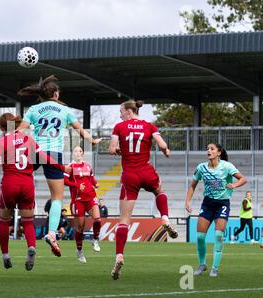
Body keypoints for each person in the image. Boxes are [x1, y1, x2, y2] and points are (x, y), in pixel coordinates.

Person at [0, 113, 68, 270]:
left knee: (4, 221)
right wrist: (63, 167)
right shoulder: (29, 140)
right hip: (27, 184)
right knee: (27, 222)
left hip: (9, 184)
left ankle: (6, 255)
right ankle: (31, 247)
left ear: (1, 128)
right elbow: (45, 157)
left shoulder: (1, 142)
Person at [17, 75, 102, 257]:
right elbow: (80, 130)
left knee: (20, 181)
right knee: (56, 197)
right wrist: (92, 140)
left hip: (35, 152)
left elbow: (19, 131)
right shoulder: (64, 110)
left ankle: (13, 212)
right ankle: (51, 233)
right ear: (55, 94)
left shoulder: (33, 109)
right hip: (54, 155)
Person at [108, 99, 178, 280]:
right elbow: (162, 145)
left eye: (121, 111)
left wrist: (118, 150)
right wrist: (166, 151)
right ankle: (164, 218)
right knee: (159, 191)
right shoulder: (149, 126)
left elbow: (111, 149)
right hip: (146, 170)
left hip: (129, 174)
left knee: (123, 220)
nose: (120, 114)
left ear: (129, 111)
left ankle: (119, 256)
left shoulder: (119, 127)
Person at [185, 143, 246, 277]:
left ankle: (215, 268)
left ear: (219, 153)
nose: (208, 150)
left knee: (218, 235)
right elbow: (192, 186)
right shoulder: (201, 168)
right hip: (207, 204)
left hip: (222, 204)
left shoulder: (226, 166)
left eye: (212, 149)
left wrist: (234, 185)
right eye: (207, 148)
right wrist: (187, 201)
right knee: (200, 237)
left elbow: (243, 179)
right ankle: (202, 264)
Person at [64, 146, 102, 263]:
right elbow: (65, 181)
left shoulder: (88, 166)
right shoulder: (70, 167)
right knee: (80, 227)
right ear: (72, 154)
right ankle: (79, 251)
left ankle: (95, 240)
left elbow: (91, 178)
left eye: (80, 151)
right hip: (78, 200)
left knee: (97, 220)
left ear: (83, 153)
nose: (78, 153)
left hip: (90, 196)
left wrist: (95, 184)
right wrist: (77, 186)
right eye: (75, 151)